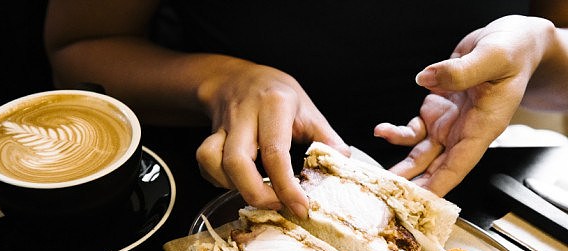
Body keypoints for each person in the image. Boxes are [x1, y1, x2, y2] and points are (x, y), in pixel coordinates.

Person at [43, 1, 568, 219]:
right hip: (222, 195)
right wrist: (221, 81)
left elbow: (558, 81)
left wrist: (540, 50)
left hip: (463, 190)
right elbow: (78, 50)